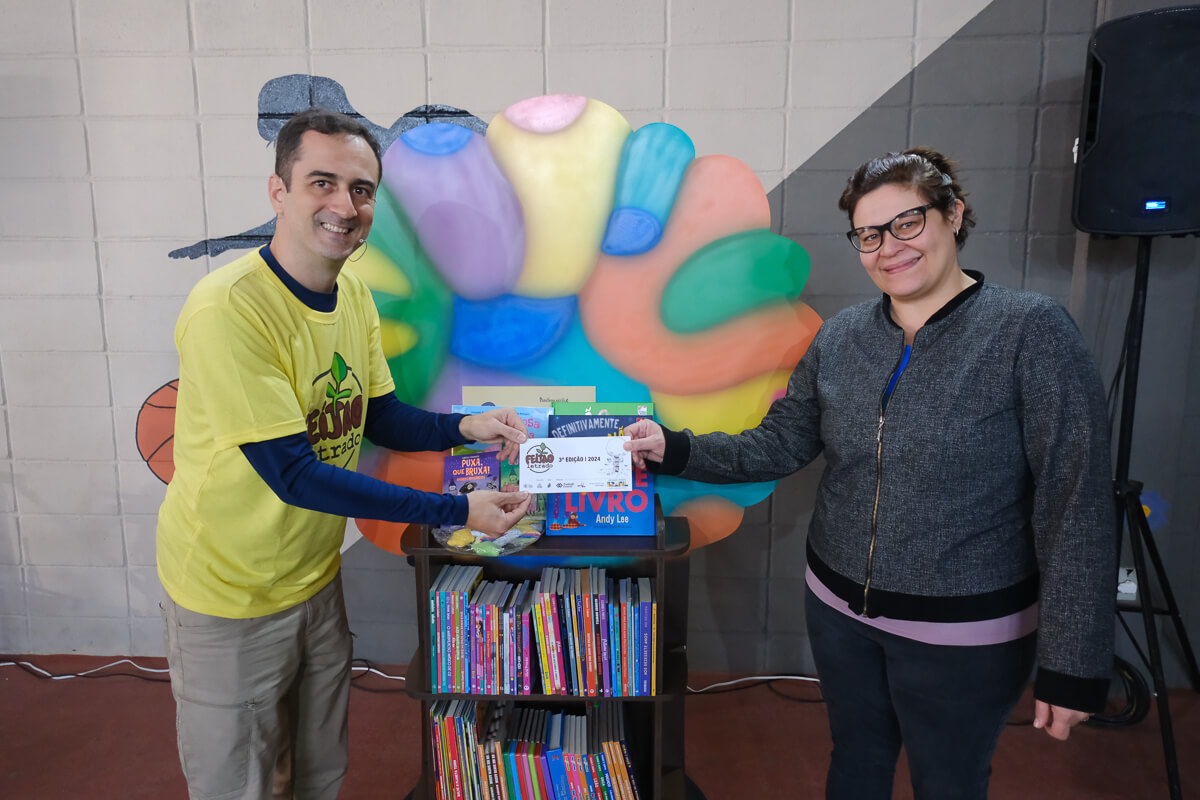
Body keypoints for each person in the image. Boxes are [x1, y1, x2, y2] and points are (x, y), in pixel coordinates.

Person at [625, 147, 1115, 799]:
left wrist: (1073, 660)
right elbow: (780, 443)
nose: (889, 247)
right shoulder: (841, 337)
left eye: (907, 223)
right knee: (856, 762)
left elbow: (1075, 498)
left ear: (953, 215)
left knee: (949, 783)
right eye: (869, 234)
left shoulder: (1029, 330)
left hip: (965, 631)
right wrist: (674, 447)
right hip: (838, 611)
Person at [156, 107, 531, 800]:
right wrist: (458, 511)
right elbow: (295, 475)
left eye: (361, 189)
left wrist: (468, 428)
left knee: (319, 768)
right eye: (321, 182)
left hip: (312, 577)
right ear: (279, 191)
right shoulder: (228, 310)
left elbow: (378, 415)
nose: (344, 206)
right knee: (241, 783)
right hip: (229, 593)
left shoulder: (351, 290)